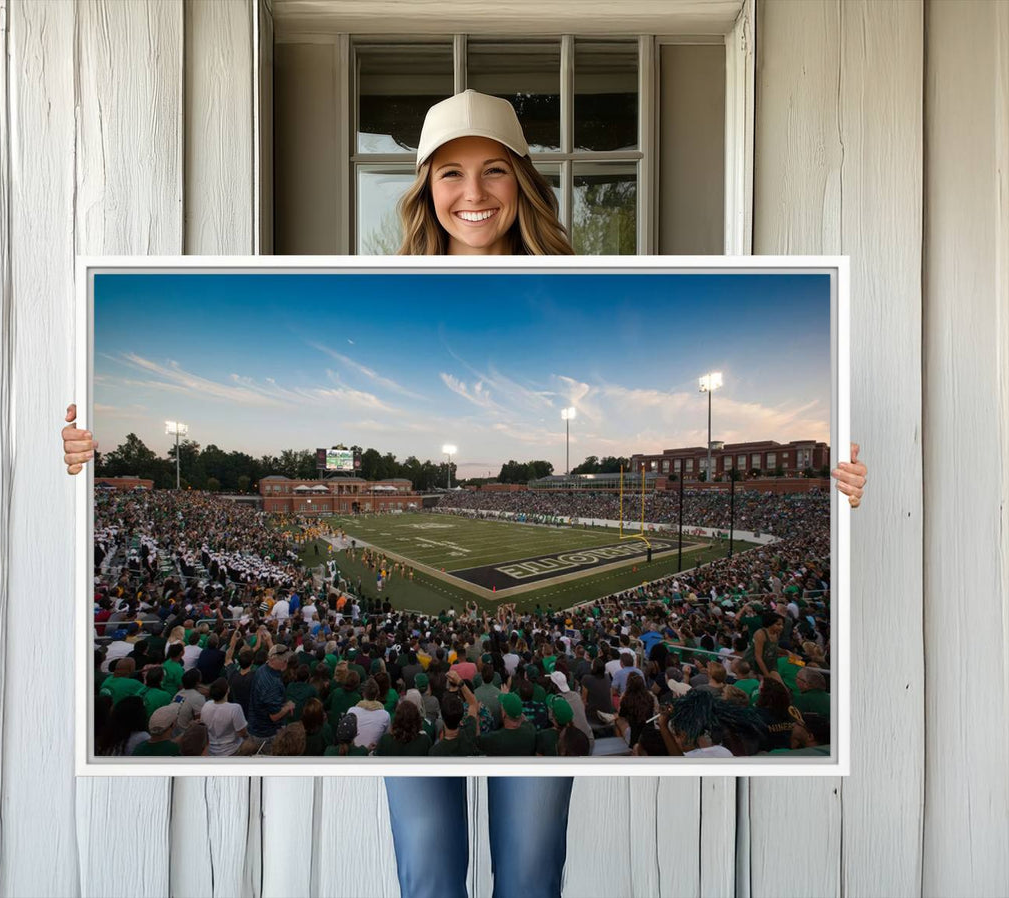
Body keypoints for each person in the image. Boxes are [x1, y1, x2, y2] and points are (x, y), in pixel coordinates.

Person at [63, 89, 868, 898]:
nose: (473, 193)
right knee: (430, 874)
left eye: (493, 171)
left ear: (522, 181)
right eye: (450, 173)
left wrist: (839, 489)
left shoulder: (586, 282)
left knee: (528, 874)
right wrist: (83, 458)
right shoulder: (382, 284)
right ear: (425, 188)